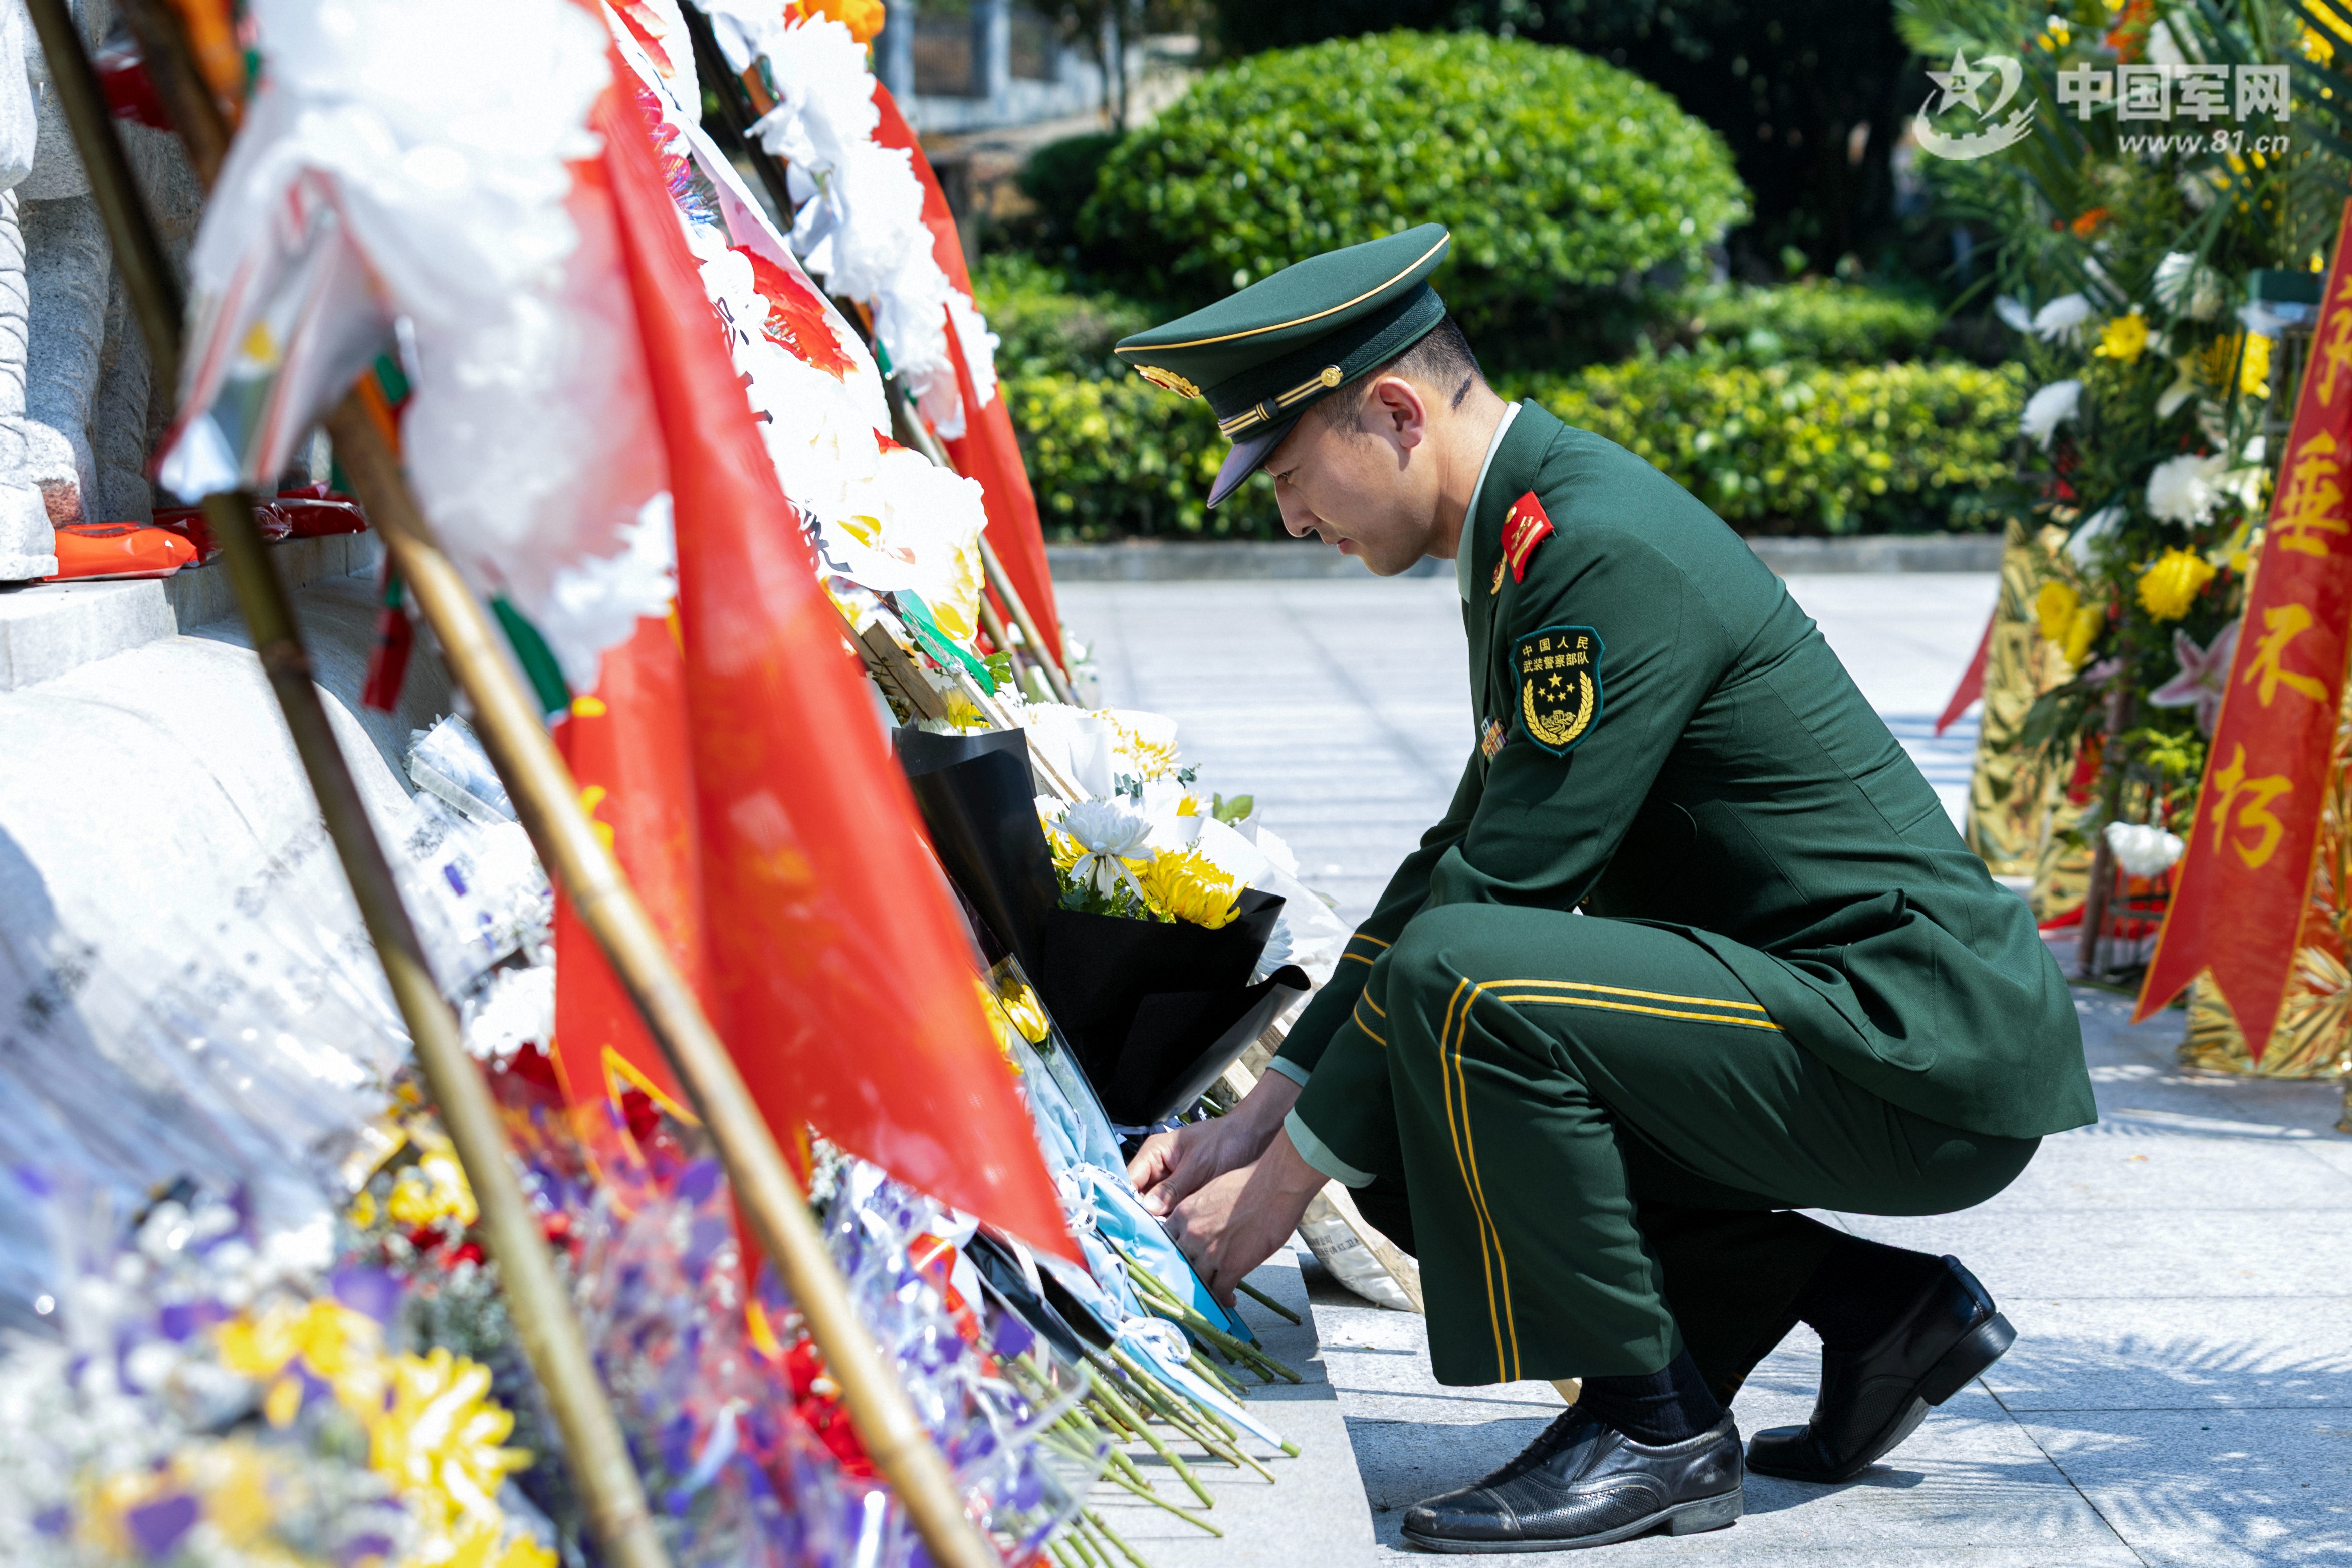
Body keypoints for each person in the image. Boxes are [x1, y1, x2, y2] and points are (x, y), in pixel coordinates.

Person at [1112, 226, 2094, 1553]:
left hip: (1914, 1039)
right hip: (1823, 1012)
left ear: (1394, 411)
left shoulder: (1591, 545)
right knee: (1400, 1126)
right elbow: (1459, 854)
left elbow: (1498, 897)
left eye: (1289, 474)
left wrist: (1281, 1186)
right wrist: (1264, 1116)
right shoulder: (1529, 531)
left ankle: (1655, 1429)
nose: (1291, 518)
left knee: (1465, 982)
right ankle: (1877, 1313)